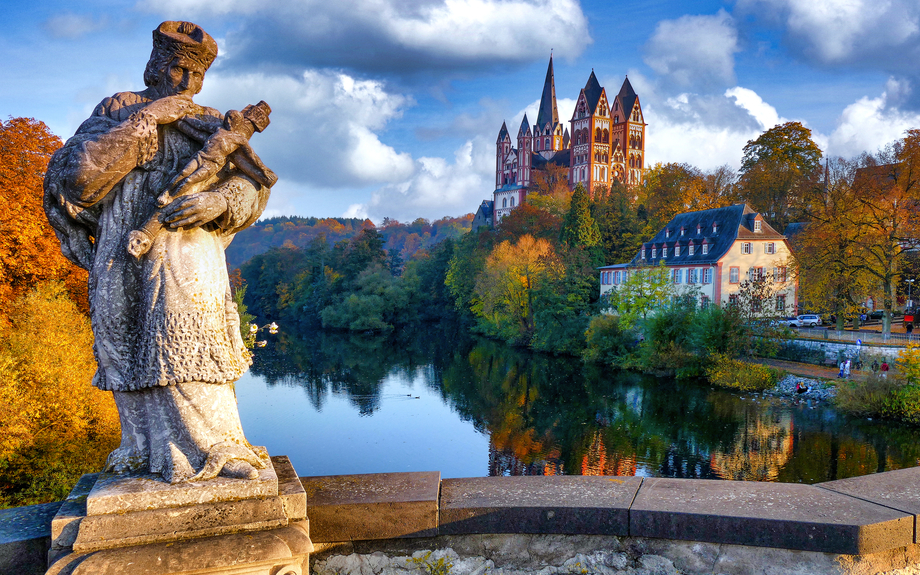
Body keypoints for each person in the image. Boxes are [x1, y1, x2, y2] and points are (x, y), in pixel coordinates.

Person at [43, 22, 273, 484]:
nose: (187, 84)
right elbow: (76, 180)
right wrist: (147, 122)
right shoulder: (118, 111)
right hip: (122, 250)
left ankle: (219, 446)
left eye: (196, 76)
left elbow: (254, 185)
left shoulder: (212, 122)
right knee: (127, 342)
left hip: (189, 249)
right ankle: (144, 450)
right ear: (155, 67)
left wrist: (219, 201)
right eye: (177, 70)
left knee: (190, 337)